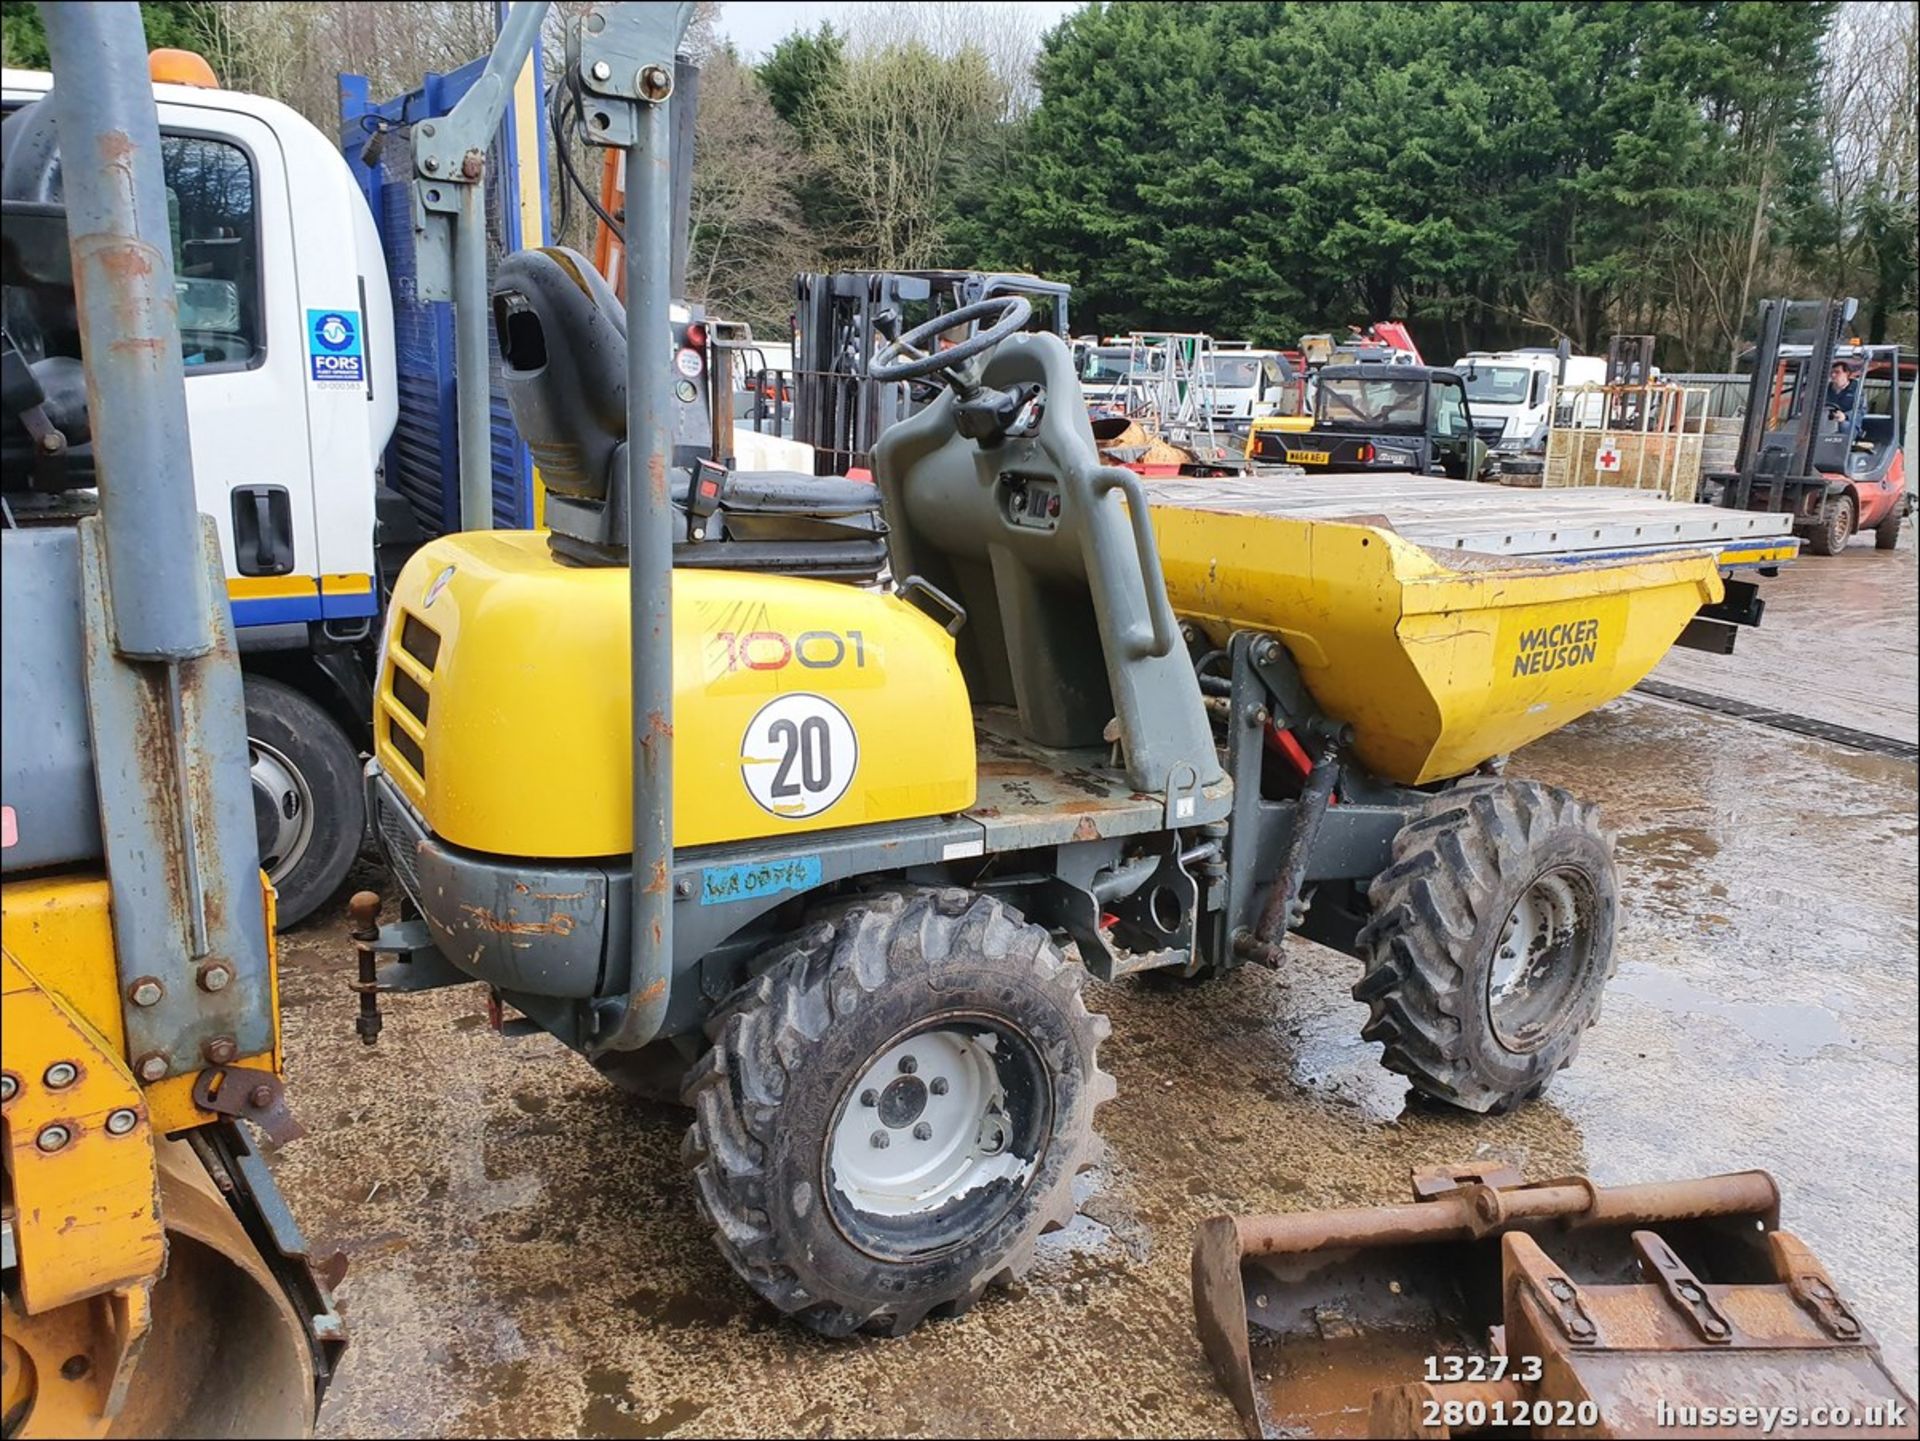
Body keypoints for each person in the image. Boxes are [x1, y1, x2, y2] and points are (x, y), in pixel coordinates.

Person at [1826, 360, 1860, 427]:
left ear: (1847, 373)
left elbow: (1860, 411)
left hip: (1848, 425)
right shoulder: (1825, 389)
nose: (1833, 375)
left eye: (1837, 372)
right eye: (1832, 372)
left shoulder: (1857, 390)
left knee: (1844, 425)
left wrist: (1845, 416)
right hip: (1826, 421)